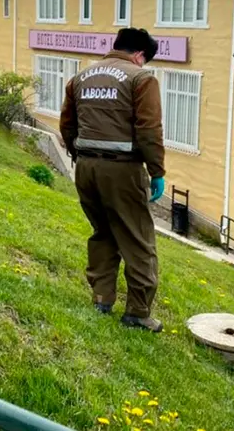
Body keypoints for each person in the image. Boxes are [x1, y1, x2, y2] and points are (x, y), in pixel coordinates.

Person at [59, 28, 166, 333]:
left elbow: (67, 123)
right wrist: (157, 171)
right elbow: (148, 129)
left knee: (102, 232)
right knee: (138, 239)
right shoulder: (141, 78)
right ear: (139, 55)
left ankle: (102, 297)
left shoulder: (81, 78)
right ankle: (138, 312)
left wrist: (80, 156)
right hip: (122, 170)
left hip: (87, 167)